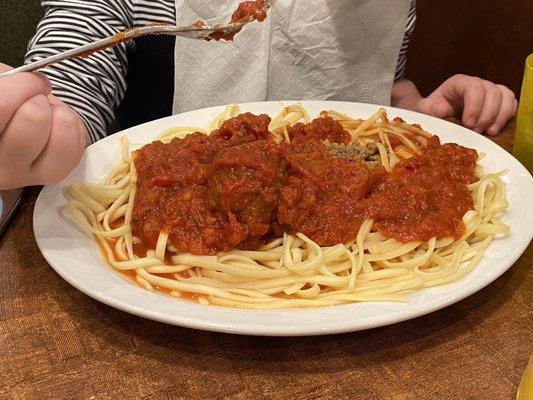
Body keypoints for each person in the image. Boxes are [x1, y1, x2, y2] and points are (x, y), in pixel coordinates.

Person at [0, 0, 517, 190]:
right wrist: (36, 127)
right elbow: (68, 84)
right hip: (174, 196)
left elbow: (377, 92)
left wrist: (418, 109)